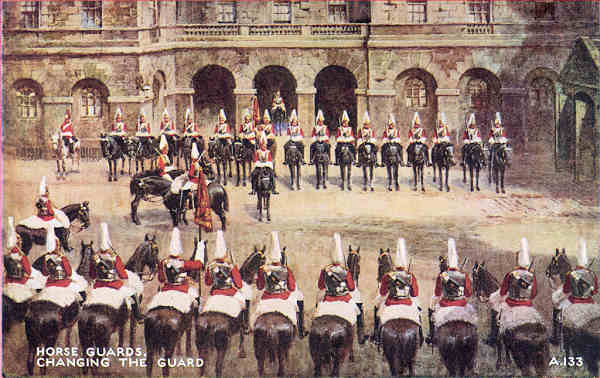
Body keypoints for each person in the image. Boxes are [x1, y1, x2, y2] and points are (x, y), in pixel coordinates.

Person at [254, 231, 307, 338]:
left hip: (267, 297)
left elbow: (260, 286)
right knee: (299, 299)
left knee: (254, 315)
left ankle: (249, 327)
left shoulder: (262, 270)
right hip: (284, 297)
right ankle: (300, 329)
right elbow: (292, 288)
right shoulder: (286, 269)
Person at [315, 233, 366, 344]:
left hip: (328, 299)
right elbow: (352, 288)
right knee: (359, 310)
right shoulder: (345, 271)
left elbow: (320, 286)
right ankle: (360, 335)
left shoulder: (325, 270)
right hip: (344, 299)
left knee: (317, 309)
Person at [88, 223, 144, 321]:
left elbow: (92, 275)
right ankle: (138, 317)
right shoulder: (114, 258)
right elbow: (123, 275)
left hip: (98, 286)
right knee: (133, 294)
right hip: (114, 285)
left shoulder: (94, 258)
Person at [549, 238, 599, 345]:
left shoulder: (571, 274)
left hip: (573, 302)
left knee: (557, 308)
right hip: (590, 302)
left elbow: (566, 291)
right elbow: (594, 291)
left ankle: (556, 337)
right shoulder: (592, 274)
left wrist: (558, 300)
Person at [426, 238, 475, 344]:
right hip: (461, 304)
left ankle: (432, 335)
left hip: (445, 303)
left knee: (432, 309)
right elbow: (468, 293)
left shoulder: (442, 275)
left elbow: (437, 293)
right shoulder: (463, 275)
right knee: (472, 318)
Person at [373, 238, 421, 344]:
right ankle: (420, 337)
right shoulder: (410, 275)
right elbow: (415, 294)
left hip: (391, 303)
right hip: (407, 303)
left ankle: (376, 335)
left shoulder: (388, 276)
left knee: (377, 308)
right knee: (418, 311)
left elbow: (382, 293)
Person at [204, 230, 249, 330]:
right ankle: (244, 325)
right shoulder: (230, 266)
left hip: (215, 293)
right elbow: (239, 285)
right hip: (231, 292)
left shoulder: (211, 266)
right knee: (243, 301)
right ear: (225, 254)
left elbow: (208, 282)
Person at [157, 228, 204, 308]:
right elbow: (198, 264)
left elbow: (161, 279)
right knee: (197, 301)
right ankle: (195, 320)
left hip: (166, 289)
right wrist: (200, 248)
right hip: (182, 289)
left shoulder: (163, 262)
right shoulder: (183, 263)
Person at [4, 216, 45, 292]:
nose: (21, 241)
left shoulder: (6, 256)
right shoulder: (21, 256)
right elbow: (28, 271)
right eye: (19, 239)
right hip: (20, 282)